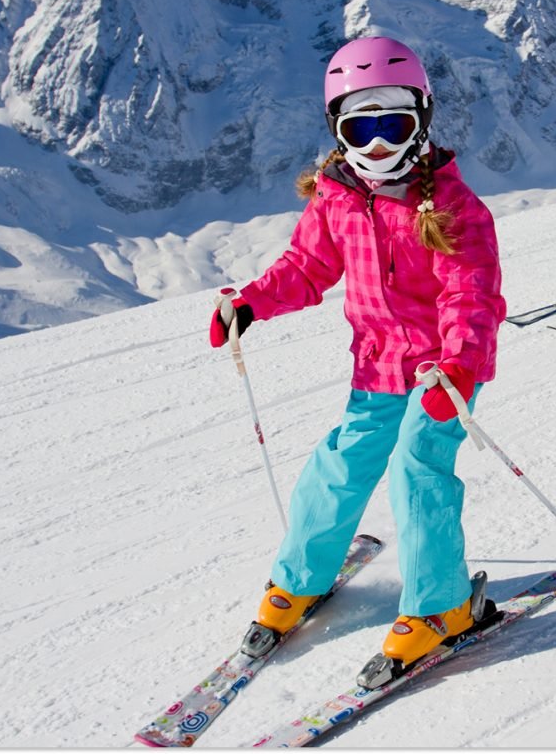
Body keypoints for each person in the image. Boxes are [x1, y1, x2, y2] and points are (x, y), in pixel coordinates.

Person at [207, 36, 506, 685]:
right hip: (375, 370)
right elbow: (307, 267)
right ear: (335, 130)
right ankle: (298, 580)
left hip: (442, 376)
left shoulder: (455, 207)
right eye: (358, 127)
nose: (376, 144)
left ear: (421, 118)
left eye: (392, 124)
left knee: (416, 467)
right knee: (337, 464)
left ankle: (442, 608)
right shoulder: (337, 197)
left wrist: (458, 365)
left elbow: (472, 295)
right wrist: (252, 302)